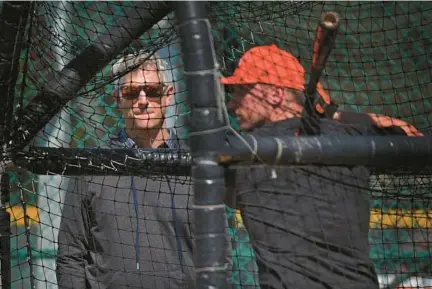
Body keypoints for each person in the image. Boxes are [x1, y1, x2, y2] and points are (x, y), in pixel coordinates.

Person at [221, 44, 423, 289]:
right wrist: (333, 115)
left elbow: (229, 197)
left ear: (275, 95)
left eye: (241, 91)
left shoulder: (243, 151)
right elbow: (412, 136)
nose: (232, 104)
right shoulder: (348, 136)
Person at [56, 51, 195, 289]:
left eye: (152, 91)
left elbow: (219, 254)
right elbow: (70, 254)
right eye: (131, 93)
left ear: (168, 96)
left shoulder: (195, 165)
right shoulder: (93, 166)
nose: (142, 100)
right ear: (117, 99)